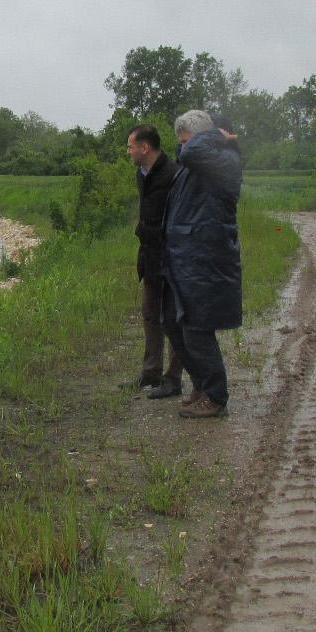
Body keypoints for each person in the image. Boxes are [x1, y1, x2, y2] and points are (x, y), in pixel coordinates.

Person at [160, 109, 243, 418]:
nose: (182, 148)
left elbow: (192, 149)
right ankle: (200, 383)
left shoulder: (223, 161)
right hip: (183, 259)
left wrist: (211, 134)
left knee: (197, 328)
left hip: (205, 260)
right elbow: (188, 153)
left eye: (185, 140)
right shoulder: (198, 161)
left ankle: (215, 395)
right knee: (172, 321)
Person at [125, 125, 187, 397]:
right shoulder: (141, 174)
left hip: (172, 257)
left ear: (145, 147)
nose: (128, 152)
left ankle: (173, 379)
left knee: (173, 318)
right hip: (148, 255)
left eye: (130, 147)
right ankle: (150, 374)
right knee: (150, 315)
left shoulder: (174, 174)